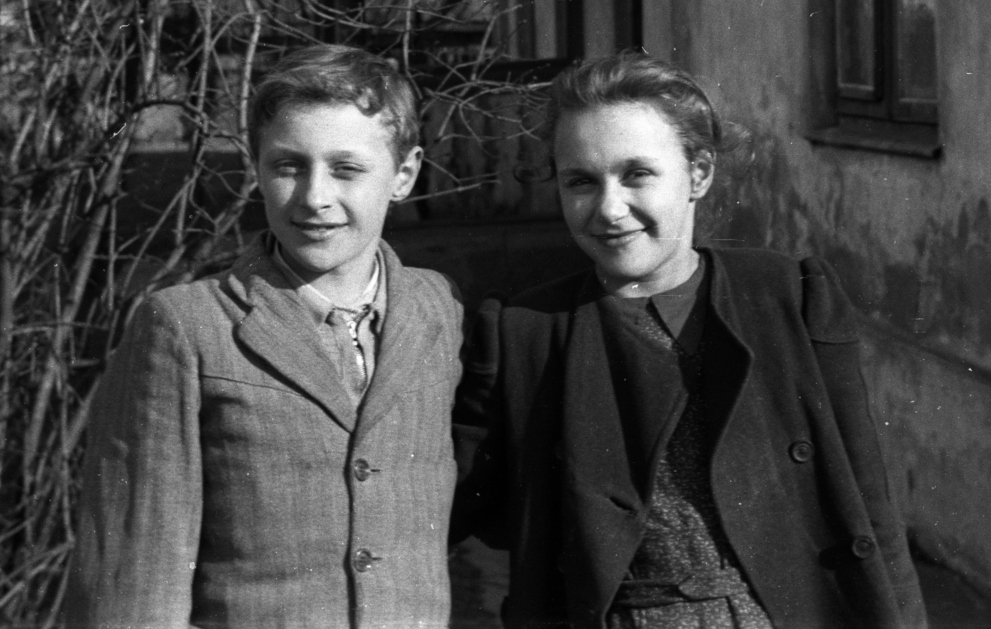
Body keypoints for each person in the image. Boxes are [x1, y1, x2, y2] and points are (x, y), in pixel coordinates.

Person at [453, 52, 927, 629]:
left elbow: (867, 505)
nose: (609, 209)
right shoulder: (525, 331)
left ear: (698, 173)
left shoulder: (787, 298)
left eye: (637, 174)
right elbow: (450, 500)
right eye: (580, 181)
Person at [66, 45, 461, 629]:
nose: (314, 197)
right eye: (288, 166)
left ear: (403, 175)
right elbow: (136, 570)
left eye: (346, 169)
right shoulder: (186, 327)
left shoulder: (437, 308)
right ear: (256, 169)